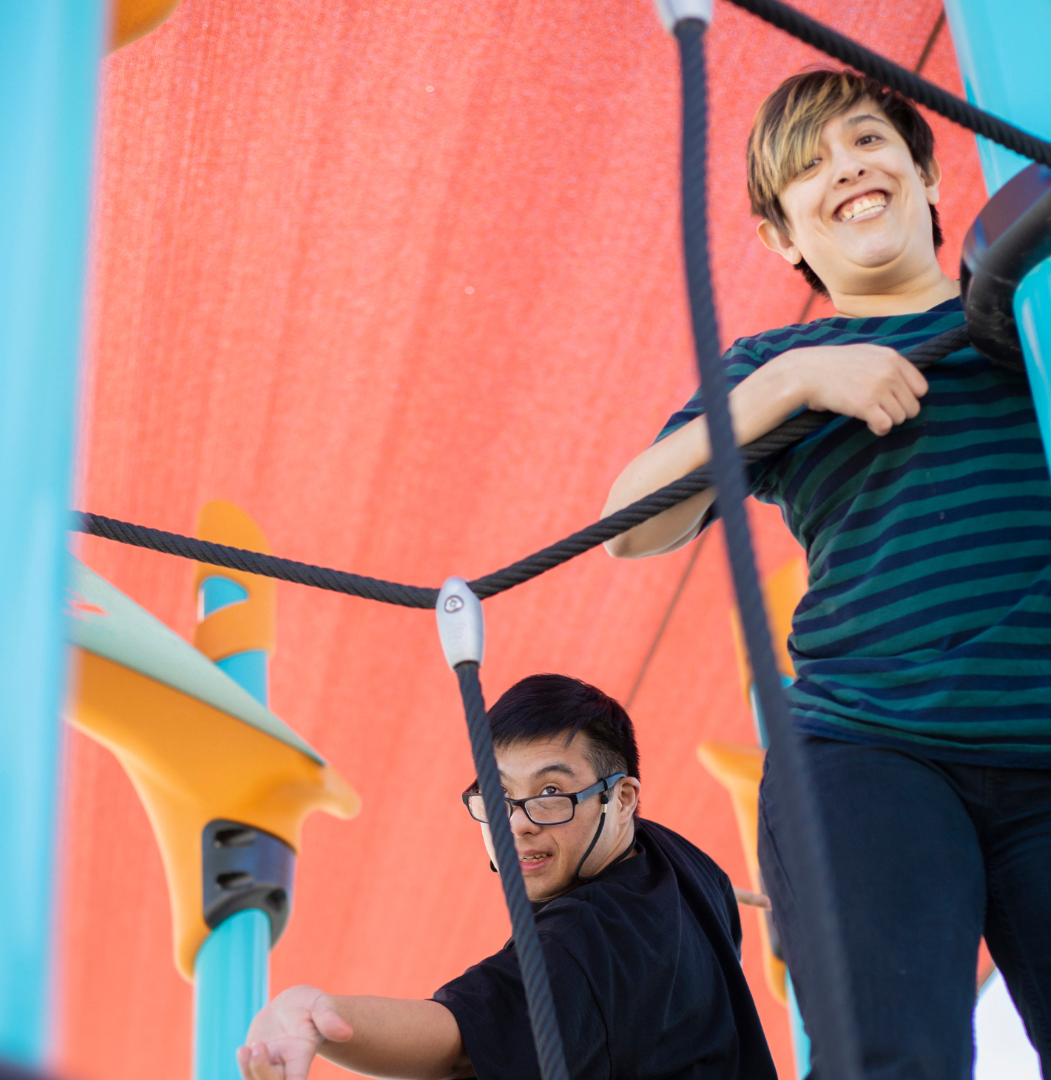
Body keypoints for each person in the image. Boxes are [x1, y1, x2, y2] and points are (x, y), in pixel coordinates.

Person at [603, 67, 1051, 1079]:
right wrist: (795, 380)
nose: (845, 170)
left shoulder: (1031, 311)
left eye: (864, 142)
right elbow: (629, 526)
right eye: (807, 171)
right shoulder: (776, 366)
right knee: (888, 1058)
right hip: (871, 749)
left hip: (1046, 745)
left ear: (928, 170)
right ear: (782, 238)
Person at [238, 673, 777, 1080]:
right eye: (497, 796)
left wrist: (315, 1011)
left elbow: (461, 1035)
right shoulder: (679, 858)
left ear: (622, 799)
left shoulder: (588, 938)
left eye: (550, 793)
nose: (517, 824)